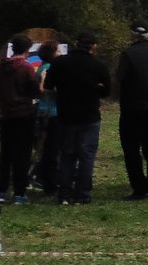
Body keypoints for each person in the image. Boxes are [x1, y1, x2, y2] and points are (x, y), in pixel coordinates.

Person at [44, 33, 111, 204]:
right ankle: (82, 195)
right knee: (86, 156)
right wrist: (96, 87)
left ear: (75, 43)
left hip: (66, 115)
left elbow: (48, 85)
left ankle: (65, 194)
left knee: (67, 155)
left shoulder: (59, 62)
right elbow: (107, 91)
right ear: (93, 46)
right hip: (90, 116)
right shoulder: (98, 64)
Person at [0, 34, 43, 204]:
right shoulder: (27, 68)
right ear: (28, 50)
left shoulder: (0, 68)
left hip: (6, 116)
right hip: (25, 115)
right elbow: (36, 92)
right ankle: (19, 193)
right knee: (22, 155)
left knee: (5, 154)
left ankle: (1, 191)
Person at [115, 24, 148, 200]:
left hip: (132, 107)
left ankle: (139, 188)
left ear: (133, 35)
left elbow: (120, 77)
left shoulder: (128, 54)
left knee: (131, 149)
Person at [31, 41, 62, 194]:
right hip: (50, 112)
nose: (61, 53)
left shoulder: (45, 66)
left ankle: (44, 178)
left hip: (46, 110)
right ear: (52, 53)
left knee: (48, 148)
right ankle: (47, 181)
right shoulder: (48, 67)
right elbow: (43, 88)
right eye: (58, 51)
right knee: (51, 149)